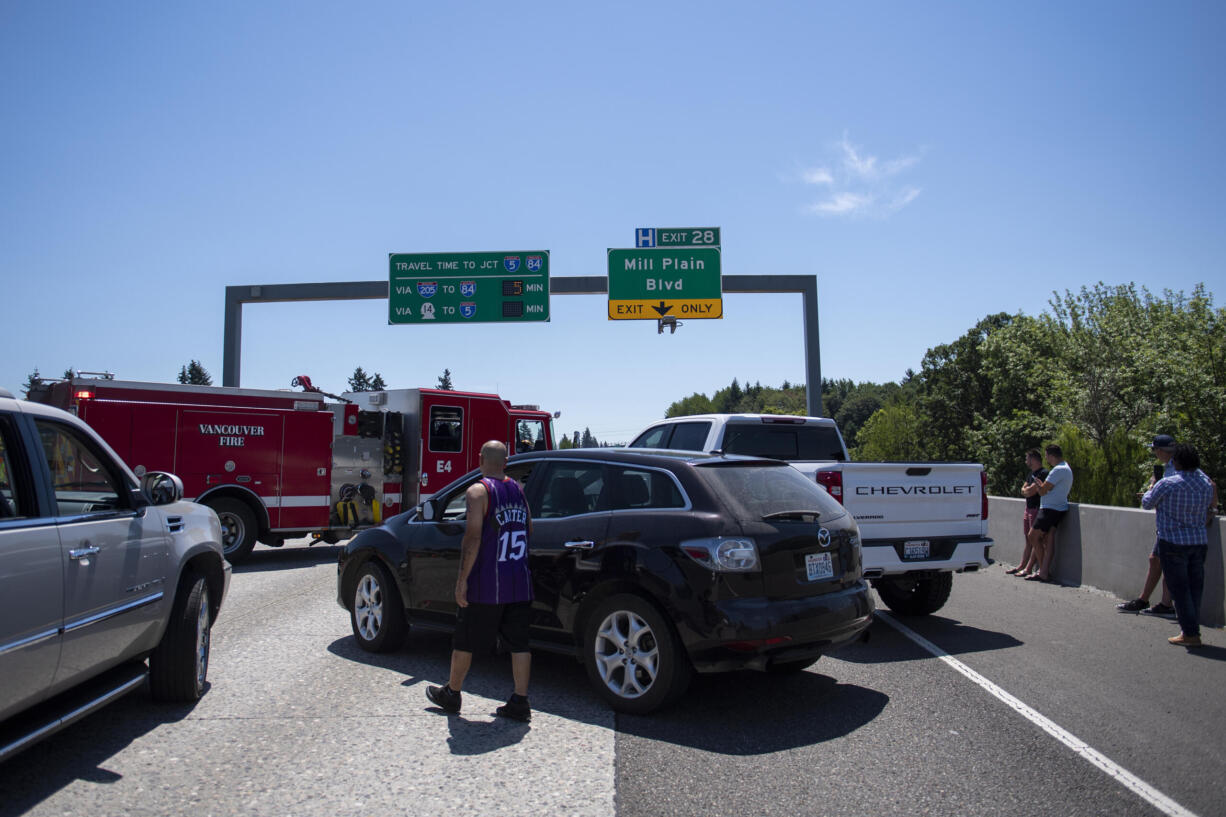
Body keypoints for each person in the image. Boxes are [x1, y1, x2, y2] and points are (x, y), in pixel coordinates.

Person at [426, 440, 535, 721]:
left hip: (489, 583)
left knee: (464, 639)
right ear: (506, 462)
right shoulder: (519, 490)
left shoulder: (478, 491)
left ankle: (452, 693)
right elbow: (529, 529)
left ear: (480, 458)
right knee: (519, 643)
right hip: (519, 580)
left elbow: (472, 538)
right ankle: (520, 701)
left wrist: (462, 580)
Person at [1141, 444, 1215, 647]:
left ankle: (1190, 634)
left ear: (1177, 462)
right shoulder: (1205, 484)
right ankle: (1192, 630)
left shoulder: (1168, 483)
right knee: (1194, 588)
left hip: (1172, 542)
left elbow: (1147, 503)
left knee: (1180, 590)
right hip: (1199, 542)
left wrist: (1152, 486)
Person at [1117, 434, 1178, 615]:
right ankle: (1163, 603)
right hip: (1169, 524)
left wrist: (1152, 488)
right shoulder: (1173, 467)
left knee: (1160, 561)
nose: (1154, 454)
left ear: (1159, 450)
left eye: (1154, 450)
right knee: (1159, 560)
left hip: (1172, 525)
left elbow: (1152, 501)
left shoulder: (1175, 469)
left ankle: (1149, 601)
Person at [1024, 444, 1073, 583]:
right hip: (1060, 508)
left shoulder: (1057, 470)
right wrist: (1042, 486)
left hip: (1049, 508)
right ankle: (1044, 571)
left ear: (1051, 455)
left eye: (1046, 456)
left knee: (1032, 536)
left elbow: (1043, 491)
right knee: (1048, 539)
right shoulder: (1066, 468)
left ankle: (1042, 570)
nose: (1046, 459)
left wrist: (1039, 486)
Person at [1007, 449, 1047, 577]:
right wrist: (1027, 490)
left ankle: (1029, 568)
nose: (1025, 461)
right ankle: (1022, 565)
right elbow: (1024, 490)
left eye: (1027, 458)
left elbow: (1031, 491)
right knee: (1028, 539)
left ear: (1033, 459)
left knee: (1034, 538)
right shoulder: (1031, 474)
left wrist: (1027, 490)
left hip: (1036, 508)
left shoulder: (1043, 473)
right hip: (1028, 508)